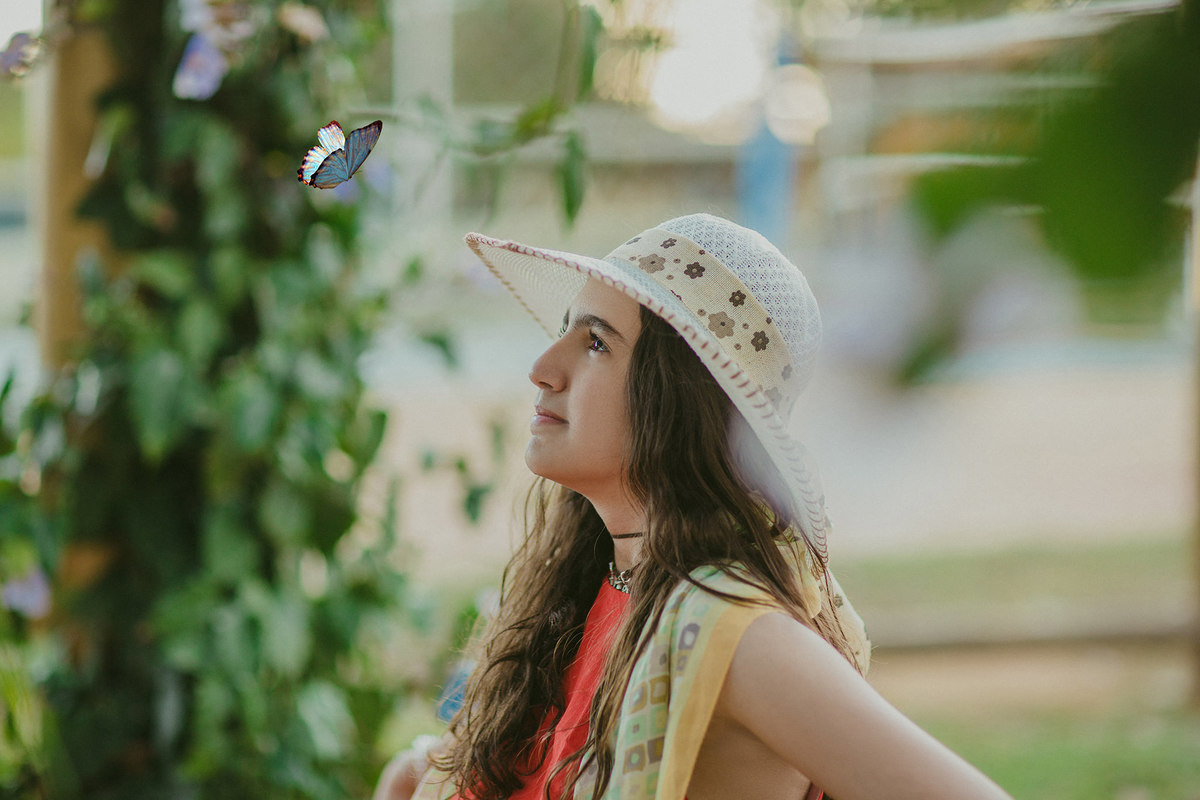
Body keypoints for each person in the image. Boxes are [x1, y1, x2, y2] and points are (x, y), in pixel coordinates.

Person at [374, 213, 1013, 800]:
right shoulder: (591, 589)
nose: (544, 366)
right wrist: (412, 774)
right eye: (567, 330)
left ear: (678, 396)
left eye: (596, 343)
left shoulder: (733, 634)